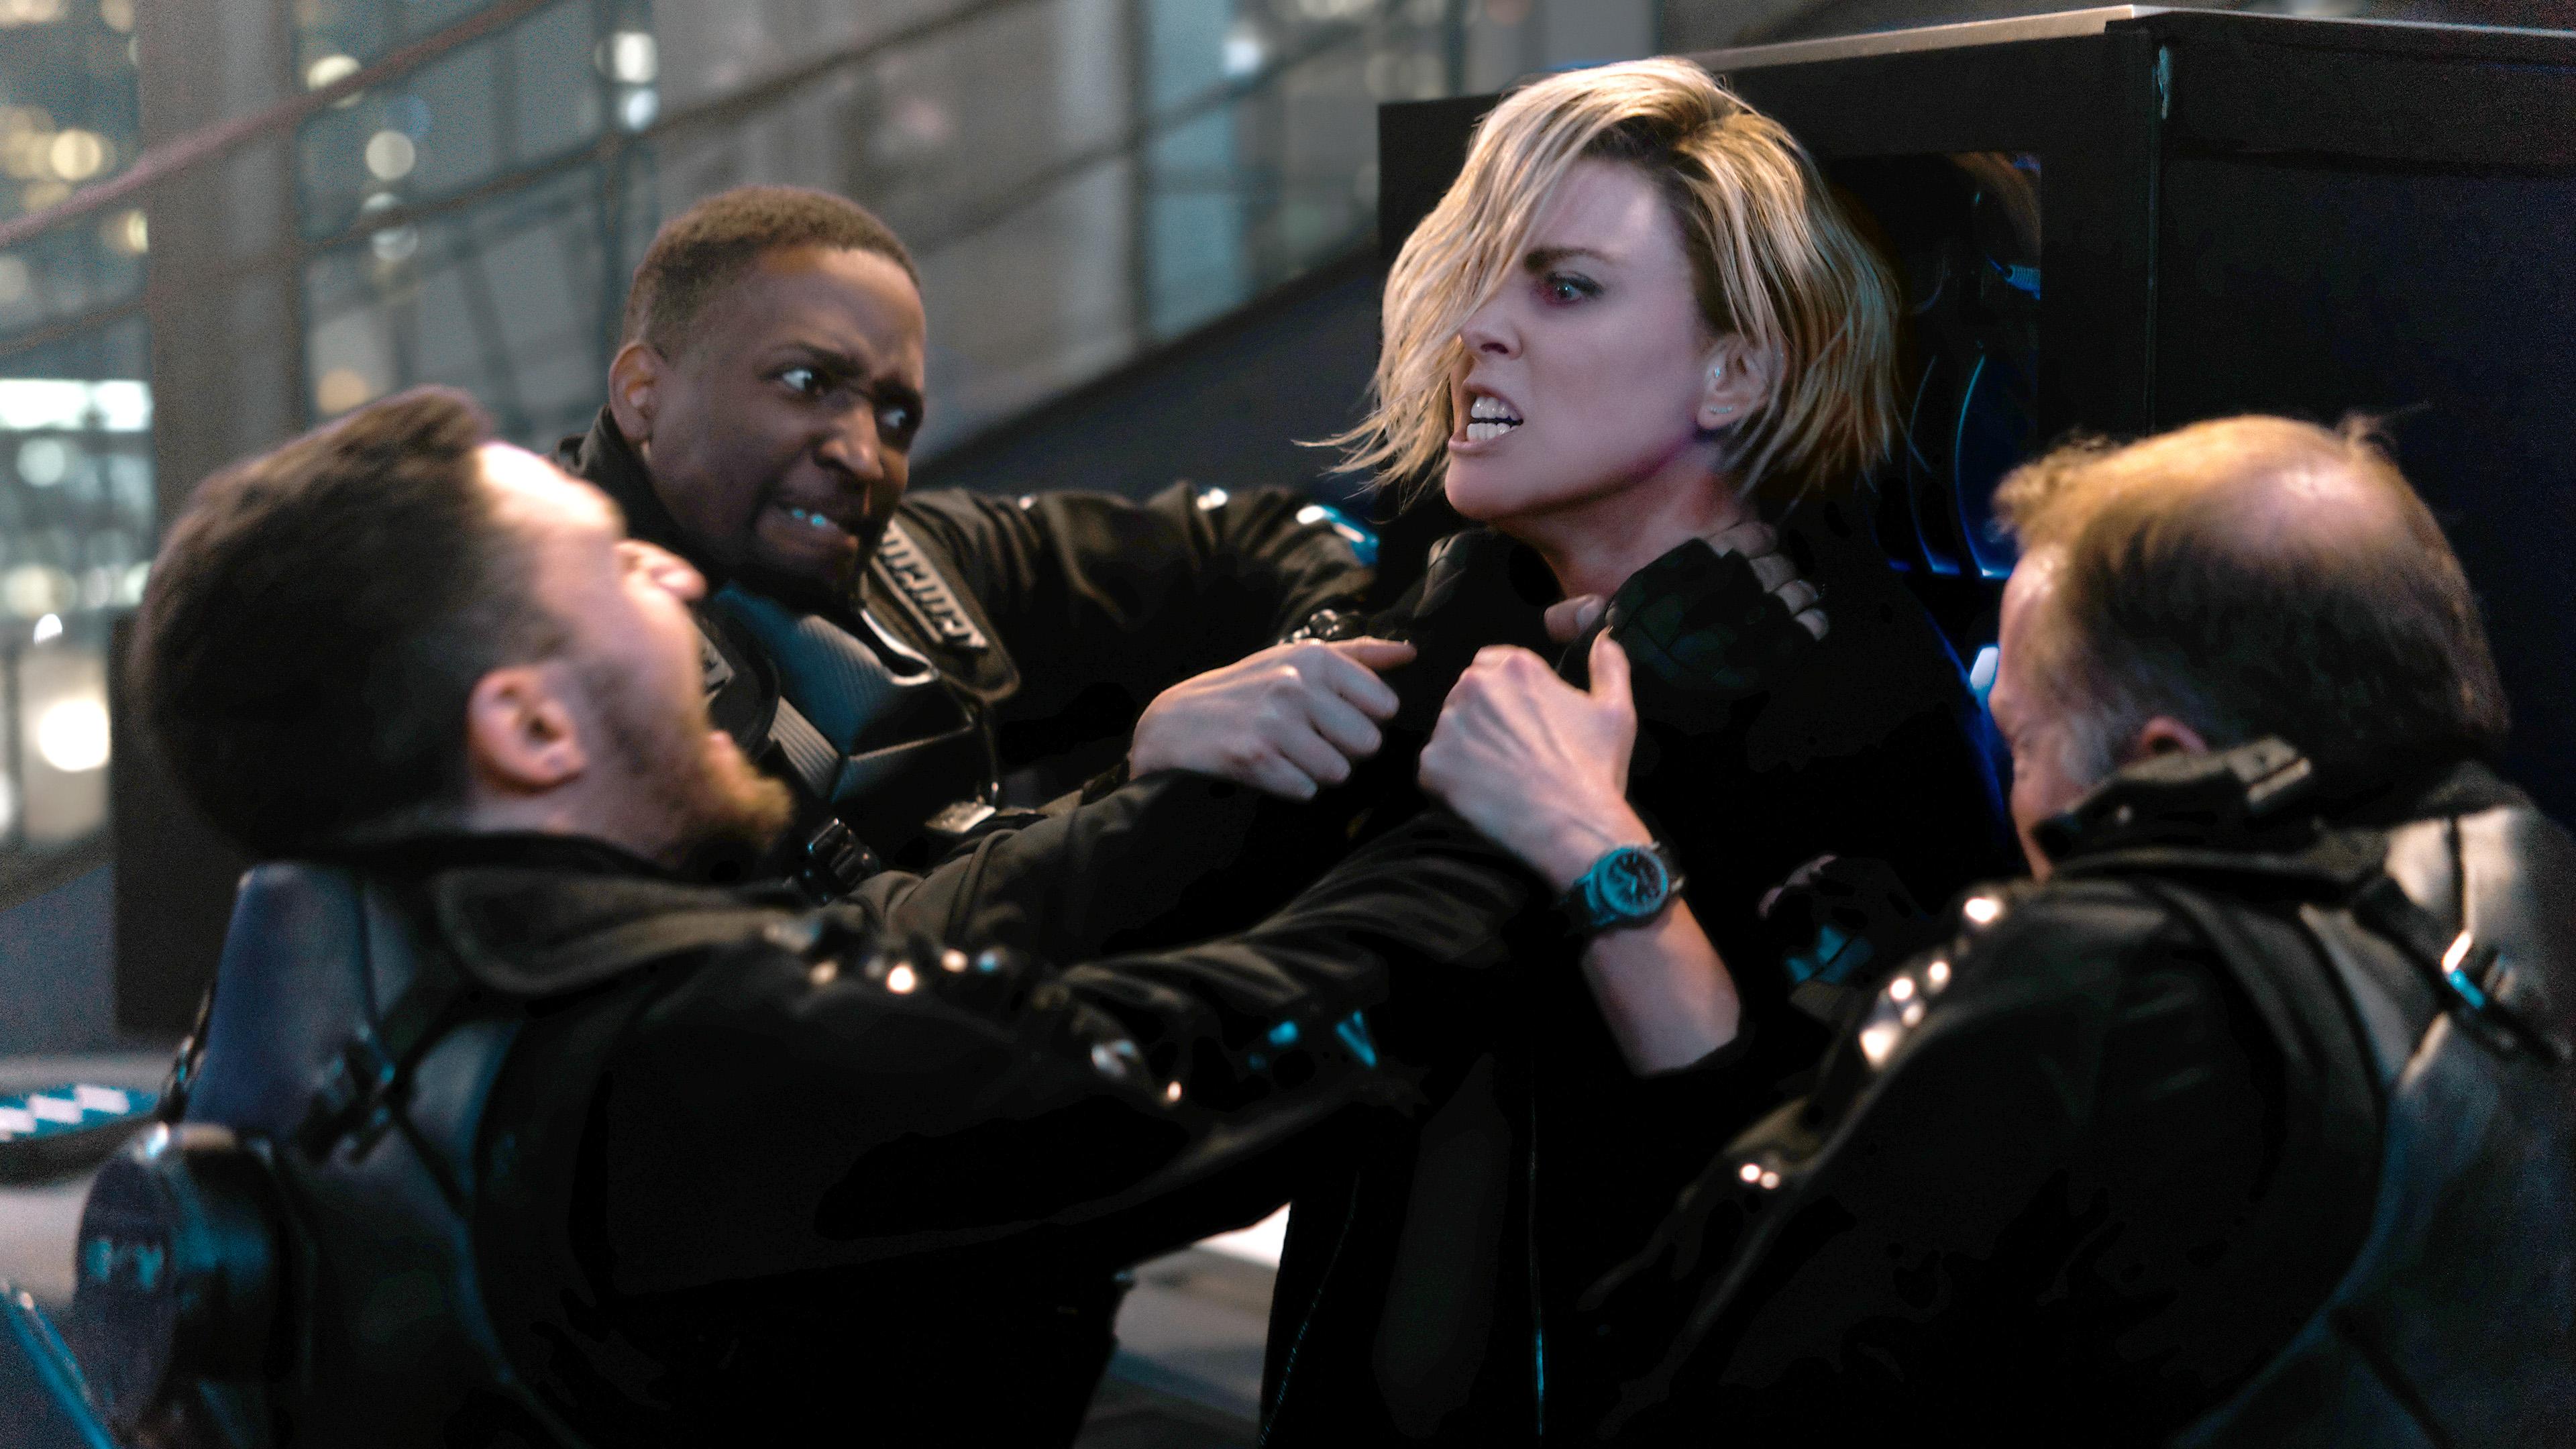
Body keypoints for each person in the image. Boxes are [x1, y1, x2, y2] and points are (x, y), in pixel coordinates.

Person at [93, 388, 1542, 1447]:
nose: (677, 576)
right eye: (618, 568)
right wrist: (1513, 813)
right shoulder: (690, 1048)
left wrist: (1156, 796)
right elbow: (1219, 1061)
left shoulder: (300, 1006)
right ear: (530, 727)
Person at [1519, 416, 2576, 1444]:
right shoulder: (2538, 882)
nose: (2004, 778)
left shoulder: (2104, 980)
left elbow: (1681, 1376)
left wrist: (1596, 847)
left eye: (2019, 739)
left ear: (2166, 766)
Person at [1254, 59, 2016, 1444]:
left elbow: (1856, 1235)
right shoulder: (1459, 621)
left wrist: (1601, 862)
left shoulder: (1849, 707)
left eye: (1564, 287)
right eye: (1480, 277)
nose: (1475, 329)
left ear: (1737, 369)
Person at [557, 185, 1410, 897]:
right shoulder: (552, 662)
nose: (864, 455)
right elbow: (800, 974)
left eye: (896, 417)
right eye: (807, 382)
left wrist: (1324, 651)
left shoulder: (913, 563)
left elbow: (1239, 542)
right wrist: (1131, 790)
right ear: (641, 394)